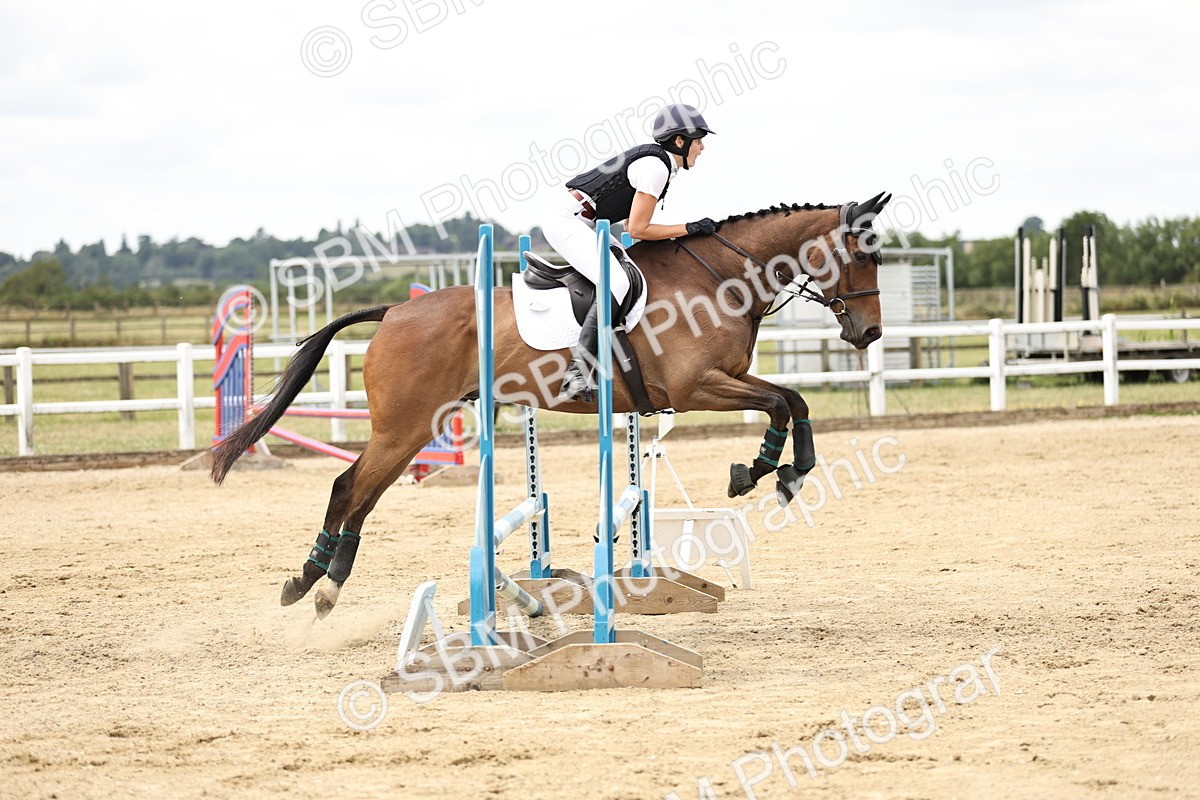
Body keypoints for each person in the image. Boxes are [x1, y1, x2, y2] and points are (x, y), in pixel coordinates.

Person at [540, 103, 718, 402]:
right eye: (699, 140)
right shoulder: (655, 167)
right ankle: (577, 371)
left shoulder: (660, 164)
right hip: (568, 221)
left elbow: (627, 225)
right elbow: (637, 229)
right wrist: (689, 228)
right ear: (680, 141)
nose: (702, 148)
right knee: (618, 282)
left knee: (634, 272)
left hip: (588, 223)